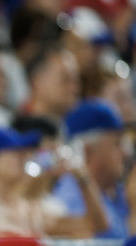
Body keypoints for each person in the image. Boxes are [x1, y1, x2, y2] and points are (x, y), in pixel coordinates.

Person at [0, 126, 107, 238]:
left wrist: (82, 177)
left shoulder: (29, 208)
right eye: (13, 152)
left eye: (22, 151)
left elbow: (97, 224)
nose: (23, 156)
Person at [53, 100, 135, 238]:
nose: (126, 152)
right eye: (117, 144)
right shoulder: (71, 196)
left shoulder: (120, 191)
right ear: (88, 151)